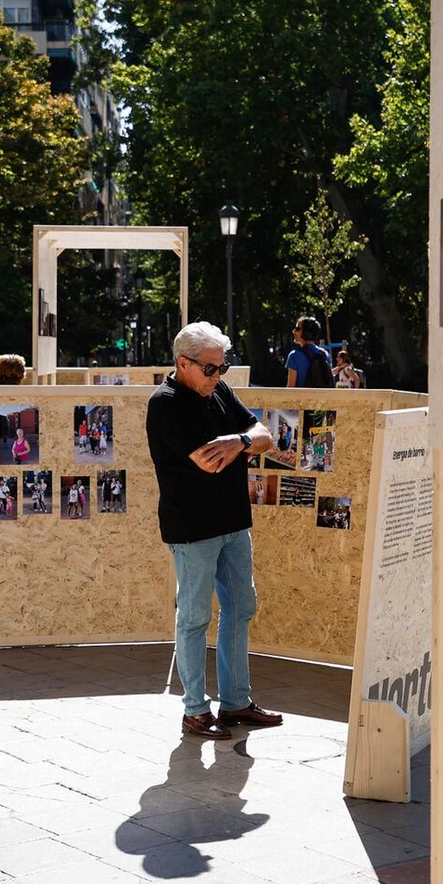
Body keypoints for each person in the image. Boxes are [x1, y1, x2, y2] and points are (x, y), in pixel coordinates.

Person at [148, 321, 283, 740]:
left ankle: (236, 701)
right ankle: (194, 710)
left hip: (232, 523)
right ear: (182, 363)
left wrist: (238, 440)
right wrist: (241, 444)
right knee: (194, 618)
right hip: (192, 529)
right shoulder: (166, 403)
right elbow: (211, 461)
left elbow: (265, 435)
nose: (217, 376)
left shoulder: (218, 389)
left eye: (222, 368)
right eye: (209, 369)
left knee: (241, 608)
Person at [285, 317, 333, 388]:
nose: (293, 331)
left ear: (306, 333)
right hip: (320, 398)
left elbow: (291, 388)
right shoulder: (325, 354)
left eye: (297, 329)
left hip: (301, 398)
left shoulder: (294, 355)